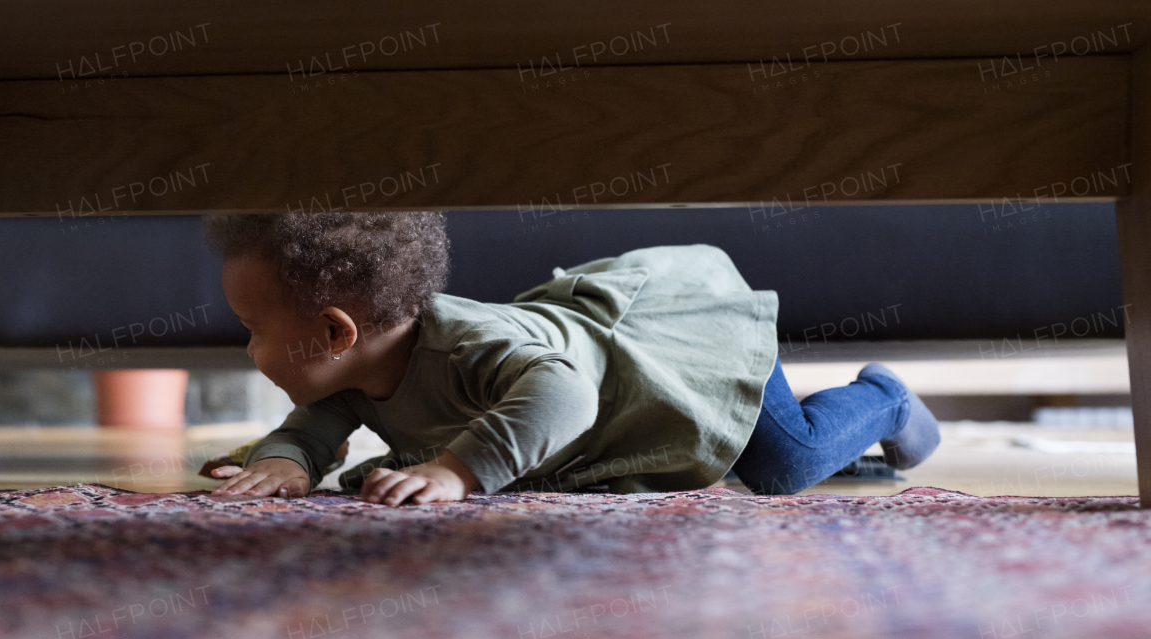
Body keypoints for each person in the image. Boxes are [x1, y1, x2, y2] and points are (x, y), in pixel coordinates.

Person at [202, 211, 939, 506]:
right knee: (736, 467)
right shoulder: (356, 373)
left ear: (336, 334)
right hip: (624, 393)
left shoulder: (470, 346)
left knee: (780, 463)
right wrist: (290, 460)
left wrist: (455, 471)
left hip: (676, 355)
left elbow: (564, 395)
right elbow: (314, 425)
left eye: (251, 326)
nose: (247, 346)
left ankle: (885, 397)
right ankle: (863, 443)